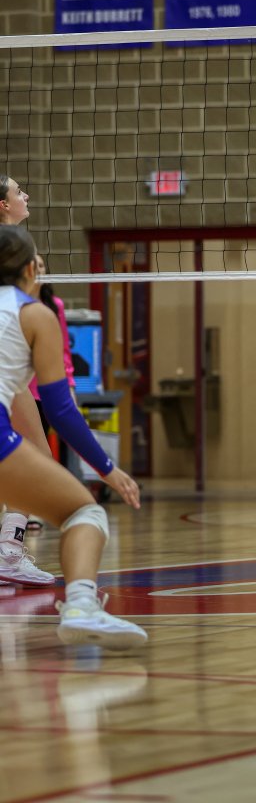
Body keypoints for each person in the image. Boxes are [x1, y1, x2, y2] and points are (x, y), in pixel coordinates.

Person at [0, 225, 146, 648]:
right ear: (31, 269)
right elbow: (61, 410)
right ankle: (82, 605)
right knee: (85, 513)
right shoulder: (35, 314)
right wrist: (107, 468)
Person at [0, 175, 57, 587]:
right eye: (18, 192)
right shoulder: (12, 248)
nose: (26, 196)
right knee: (35, 455)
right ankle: (8, 553)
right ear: (3, 205)